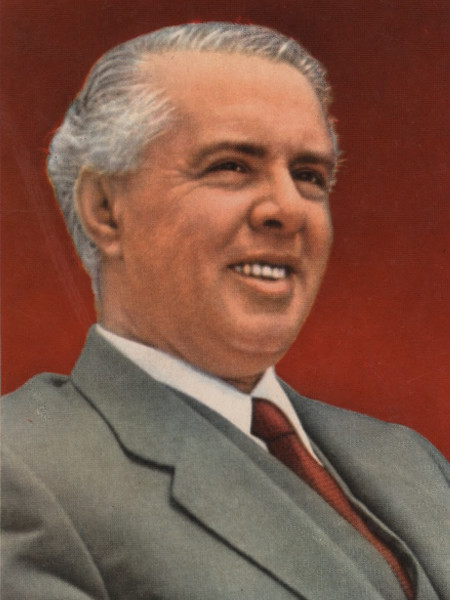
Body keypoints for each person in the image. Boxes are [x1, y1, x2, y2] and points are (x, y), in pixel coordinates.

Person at [1, 22, 449, 600]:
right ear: (106, 210)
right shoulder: (24, 467)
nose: (289, 208)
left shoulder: (411, 460)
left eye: (309, 176)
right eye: (231, 166)